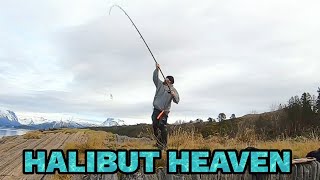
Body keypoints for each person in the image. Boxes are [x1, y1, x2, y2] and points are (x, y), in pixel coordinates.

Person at [152, 63, 180, 150]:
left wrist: (173, 95)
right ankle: (158, 143)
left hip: (164, 112)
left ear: (170, 82)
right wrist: (157, 69)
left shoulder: (173, 90)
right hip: (156, 109)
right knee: (155, 125)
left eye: (167, 79)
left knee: (162, 126)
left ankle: (164, 145)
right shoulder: (160, 84)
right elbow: (155, 78)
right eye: (165, 78)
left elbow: (177, 101)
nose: (165, 79)